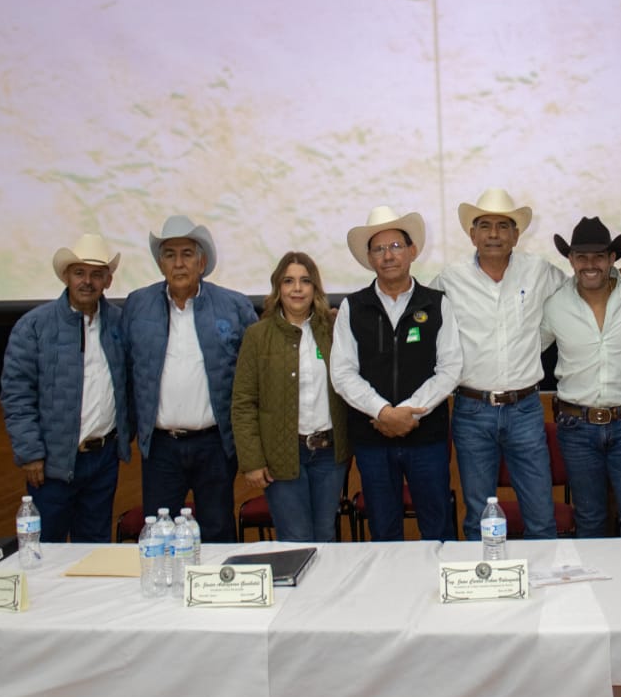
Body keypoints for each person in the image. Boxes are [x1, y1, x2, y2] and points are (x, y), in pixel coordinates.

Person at [431, 187, 621, 542]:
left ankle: (544, 579)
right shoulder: (449, 280)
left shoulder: (540, 273)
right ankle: (483, 576)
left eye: (504, 226)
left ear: (516, 235)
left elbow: (587, 283)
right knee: (478, 517)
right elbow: (420, 321)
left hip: (525, 410)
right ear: (472, 234)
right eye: (485, 226)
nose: (494, 234)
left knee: (541, 518)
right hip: (471, 411)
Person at [122, 215, 257, 542]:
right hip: (161, 446)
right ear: (161, 264)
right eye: (170, 255)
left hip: (215, 444)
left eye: (186, 254)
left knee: (217, 530)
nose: (179, 263)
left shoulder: (234, 306)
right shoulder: (137, 306)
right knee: (160, 535)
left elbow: (255, 372)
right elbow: (124, 369)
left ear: (202, 262)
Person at [331, 206, 462, 541]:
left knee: (438, 528)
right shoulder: (352, 307)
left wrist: (407, 413)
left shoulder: (437, 303)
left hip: (427, 438)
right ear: (369, 258)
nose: (388, 256)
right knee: (384, 531)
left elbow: (450, 368)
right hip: (373, 439)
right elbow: (343, 372)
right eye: (378, 249)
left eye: (395, 246)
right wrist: (382, 412)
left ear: (412, 251)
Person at [0, 233, 130, 542]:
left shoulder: (120, 323)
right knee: (46, 550)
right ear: (66, 277)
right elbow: (17, 394)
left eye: (96, 274)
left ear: (108, 281)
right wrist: (30, 453)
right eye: (79, 273)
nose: (87, 281)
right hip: (52, 462)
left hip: (103, 459)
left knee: (96, 548)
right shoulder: (34, 327)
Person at [541, 217, 621, 537]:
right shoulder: (554, 304)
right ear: (570, 260)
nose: (590, 265)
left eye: (599, 257)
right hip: (575, 427)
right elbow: (527, 349)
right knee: (590, 520)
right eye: (581, 257)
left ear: (612, 258)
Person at [231, 252, 349, 542]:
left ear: (315, 288)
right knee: (296, 537)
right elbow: (243, 402)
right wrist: (252, 460)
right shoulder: (257, 336)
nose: (297, 289)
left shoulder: (333, 330)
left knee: (325, 535)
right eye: (288, 281)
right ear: (278, 288)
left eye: (305, 281)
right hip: (281, 455)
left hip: (329, 454)